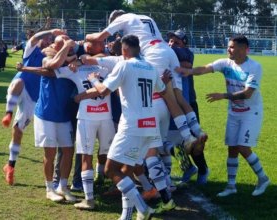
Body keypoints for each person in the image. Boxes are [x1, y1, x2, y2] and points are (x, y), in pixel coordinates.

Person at [83, 34, 172, 220]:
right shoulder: (150, 67)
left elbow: (103, 91)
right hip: (150, 126)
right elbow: (162, 90)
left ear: (124, 50)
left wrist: (93, 79)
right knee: (126, 170)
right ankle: (126, 215)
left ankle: (143, 208)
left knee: (110, 170)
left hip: (132, 126)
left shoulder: (124, 65)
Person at [176, 35, 270, 196]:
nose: (228, 49)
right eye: (229, 46)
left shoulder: (254, 67)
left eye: (232, 47)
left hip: (251, 113)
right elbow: (205, 68)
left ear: (243, 49)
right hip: (234, 112)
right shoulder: (225, 63)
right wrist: (189, 71)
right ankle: (231, 186)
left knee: (242, 147)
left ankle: (263, 178)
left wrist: (223, 96)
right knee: (232, 148)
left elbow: (248, 94)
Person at [17, 35, 78, 202]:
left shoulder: (74, 63)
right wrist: (67, 48)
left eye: (69, 42)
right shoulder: (47, 59)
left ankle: (63, 186)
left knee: (68, 151)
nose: (68, 44)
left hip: (64, 115)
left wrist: (75, 60)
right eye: (63, 42)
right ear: (55, 46)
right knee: (50, 152)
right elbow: (53, 65)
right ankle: (49, 188)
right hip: (46, 114)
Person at [1, 28, 65, 186]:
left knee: (18, 132)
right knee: (18, 82)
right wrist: (51, 30)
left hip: (34, 98)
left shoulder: (52, 58)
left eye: (51, 40)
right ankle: (8, 112)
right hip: (21, 88)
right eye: (47, 39)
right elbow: (36, 37)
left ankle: (10, 166)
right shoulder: (30, 50)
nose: (48, 42)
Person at [167, 30, 209, 184]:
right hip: (172, 103)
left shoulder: (187, 53)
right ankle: (188, 167)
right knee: (173, 141)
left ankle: (203, 169)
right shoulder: (170, 54)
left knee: (195, 141)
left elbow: (186, 63)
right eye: (170, 41)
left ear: (184, 43)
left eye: (176, 42)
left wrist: (161, 49)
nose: (171, 44)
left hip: (188, 103)